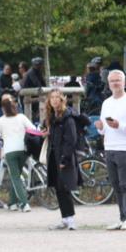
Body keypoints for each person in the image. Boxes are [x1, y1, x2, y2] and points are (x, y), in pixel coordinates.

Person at [95, 70, 126, 230]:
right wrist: (100, 128)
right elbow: (103, 130)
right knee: (116, 185)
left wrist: (120, 125)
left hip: (124, 147)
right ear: (108, 84)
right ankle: (122, 217)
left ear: (124, 82)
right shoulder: (106, 103)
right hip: (109, 147)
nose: (115, 84)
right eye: (112, 81)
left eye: (118, 80)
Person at [44, 89, 81, 230]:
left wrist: (64, 159)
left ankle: (71, 219)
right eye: (51, 97)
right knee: (58, 188)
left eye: (57, 97)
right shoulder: (52, 116)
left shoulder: (67, 116)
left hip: (64, 156)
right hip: (54, 155)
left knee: (65, 188)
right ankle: (65, 218)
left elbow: (71, 139)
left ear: (62, 99)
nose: (54, 100)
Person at [0, 95, 35, 212]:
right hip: (24, 150)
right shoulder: (21, 117)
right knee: (17, 175)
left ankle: (24, 204)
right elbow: (33, 129)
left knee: (15, 178)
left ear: (3, 108)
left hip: (10, 151)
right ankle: (12, 203)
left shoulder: (0, 121)